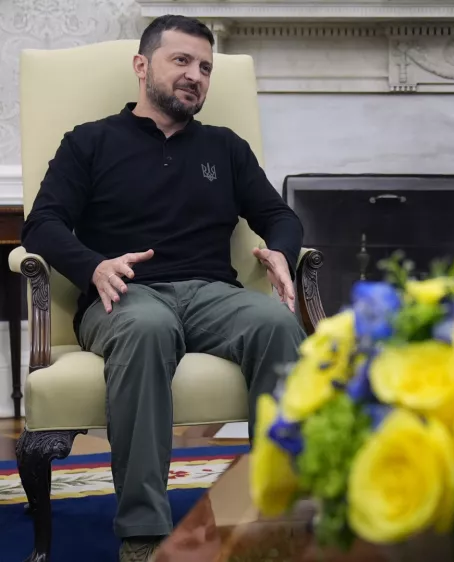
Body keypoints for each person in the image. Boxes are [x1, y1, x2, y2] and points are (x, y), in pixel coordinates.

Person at [21, 15, 307, 562]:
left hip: (212, 294)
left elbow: (277, 214)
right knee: (148, 326)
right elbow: (43, 223)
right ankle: (144, 534)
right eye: (181, 61)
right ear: (141, 66)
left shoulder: (225, 147)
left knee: (275, 322)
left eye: (204, 67)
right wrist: (93, 266)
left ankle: (280, 512)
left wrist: (281, 252)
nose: (195, 76)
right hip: (124, 294)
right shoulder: (90, 142)